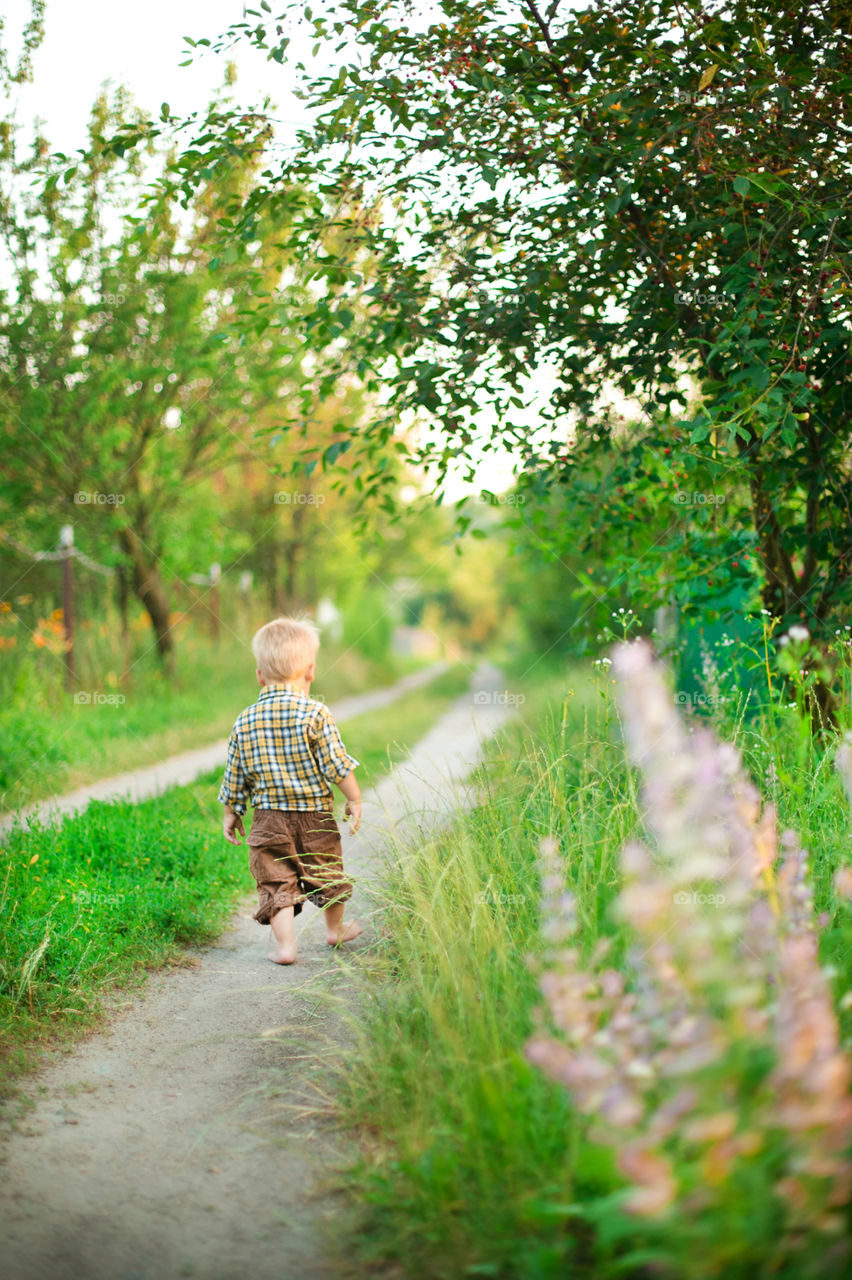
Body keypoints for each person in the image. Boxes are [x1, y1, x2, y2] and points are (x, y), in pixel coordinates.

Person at [218, 615, 363, 965]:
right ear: (310, 671)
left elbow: (235, 774)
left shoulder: (245, 720)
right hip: (314, 818)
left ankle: (286, 947)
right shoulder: (316, 714)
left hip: (268, 819)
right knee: (327, 873)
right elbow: (336, 764)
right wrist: (354, 798)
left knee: (276, 882)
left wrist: (231, 812)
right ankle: (335, 930)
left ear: (259, 675)